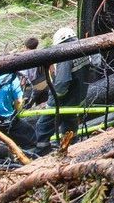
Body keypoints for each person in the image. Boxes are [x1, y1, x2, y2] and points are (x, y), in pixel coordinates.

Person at [35, 26, 92, 154]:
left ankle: (40, 153)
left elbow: (62, 82)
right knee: (70, 128)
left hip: (62, 102)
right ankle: (72, 150)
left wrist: (53, 100)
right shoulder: (83, 49)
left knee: (42, 127)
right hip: (78, 99)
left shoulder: (65, 54)